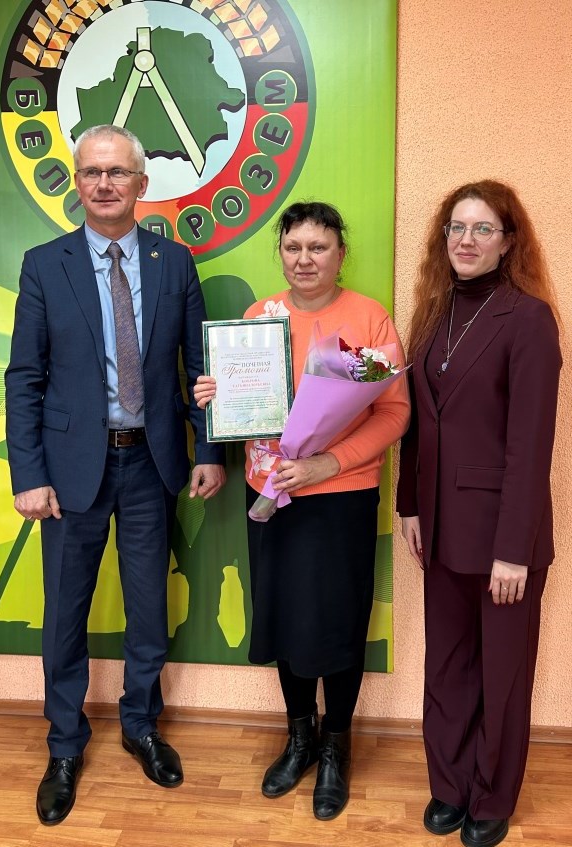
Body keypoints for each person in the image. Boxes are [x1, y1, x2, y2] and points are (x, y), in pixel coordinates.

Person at [5, 124, 226, 825]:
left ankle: (140, 725)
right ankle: (64, 745)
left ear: (141, 184)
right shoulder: (45, 265)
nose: (104, 184)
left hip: (150, 465)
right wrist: (28, 474)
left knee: (148, 610)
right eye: (92, 172)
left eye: (117, 172)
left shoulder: (174, 263)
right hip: (70, 472)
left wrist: (209, 451)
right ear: (78, 183)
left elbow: (201, 370)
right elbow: (24, 378)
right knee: (64, 616)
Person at [195, 201, 410, 820]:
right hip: (271, 495)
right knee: (285, 618)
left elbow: (395, 413)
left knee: (338, 622)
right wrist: (217, 397)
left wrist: (328, 464)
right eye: (293, 247)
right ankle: (299, 737)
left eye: (318, 247)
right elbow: (244, 408)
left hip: (341, 497)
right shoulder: (259, 318)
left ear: (341, 253)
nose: (305, 259)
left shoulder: (369, 319)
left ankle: (337, 744)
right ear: (280, 253)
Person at [396, 180, 561, 847]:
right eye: (456, 228)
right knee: (447, 667)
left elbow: (530, 445)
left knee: (502, 674)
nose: (466, 240)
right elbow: (415, 421)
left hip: (502, 536)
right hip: (438, 529)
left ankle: (492, 796)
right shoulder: (432, 314)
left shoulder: (529, 319)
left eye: (482, 229)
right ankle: (450, 786)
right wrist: (408, 503)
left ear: (508, 241)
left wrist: (514, 549)